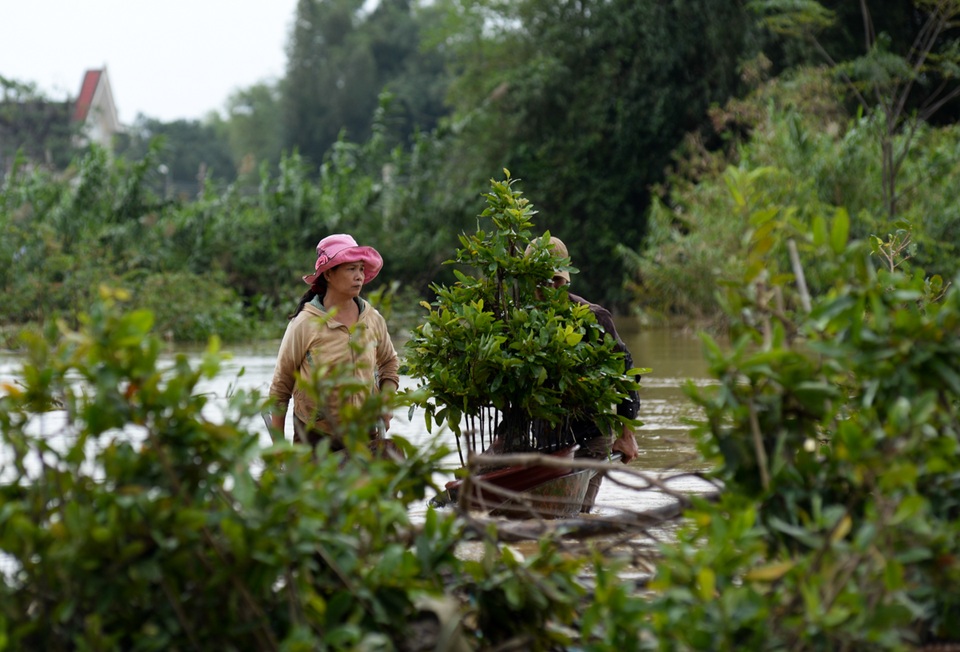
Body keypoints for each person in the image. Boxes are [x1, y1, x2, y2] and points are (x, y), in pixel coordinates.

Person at [528, 236, 640, 513]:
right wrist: (501, 437)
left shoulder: (593, 318)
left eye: (556, 280)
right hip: (541, 439)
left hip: (589, 438)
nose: (549, 288)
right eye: (541, 280)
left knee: (574, 518)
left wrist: (627, 432)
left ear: (566, 280)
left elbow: (625, 371)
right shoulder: (517, 322)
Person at [268, 233, 400, 454]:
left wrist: (385, 404)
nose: (359, 276)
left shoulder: (372, 319)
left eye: (361, 269)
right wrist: (279, 450)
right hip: (315, 438)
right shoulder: (304, 324)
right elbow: (281, 388)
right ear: (329, 273)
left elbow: (389, 364)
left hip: (364, 435)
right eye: (351, 269)